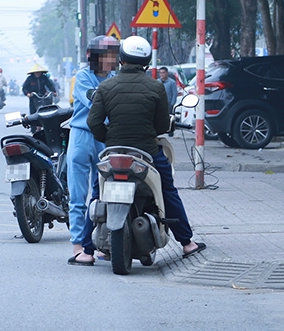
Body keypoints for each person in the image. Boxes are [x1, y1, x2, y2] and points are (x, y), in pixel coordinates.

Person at [87, 35, 206, 259]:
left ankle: (86, 250)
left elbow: (93, 122)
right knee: (167, 191)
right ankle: (187, 243)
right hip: (147, 153)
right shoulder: (156, 87)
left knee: (97, 194)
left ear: (121, 59)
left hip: (113, 153)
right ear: (146, 62)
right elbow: (162, 125)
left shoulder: (105, 87)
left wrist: (109, 138)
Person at [67, 36, 119, 266]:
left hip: (106, 138)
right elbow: (93, 102)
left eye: (113, 55)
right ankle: (78, 245)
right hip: (81, 137)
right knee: (78, 196)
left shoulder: (116, 78)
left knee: (107, 194)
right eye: (105, 55)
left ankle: (105, 243)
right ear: (92, 57)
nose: (109, 60)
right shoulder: (83, 77)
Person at [159, 66, 178, 137]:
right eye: (160, 73)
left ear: (167, 73)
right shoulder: (158, 82)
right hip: (160, 103)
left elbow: (174, 93)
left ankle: (170, 131)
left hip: (169, 103)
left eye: (163, 73)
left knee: (170, 118)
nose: (162, 74)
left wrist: (172, 103)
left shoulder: (172, 82)